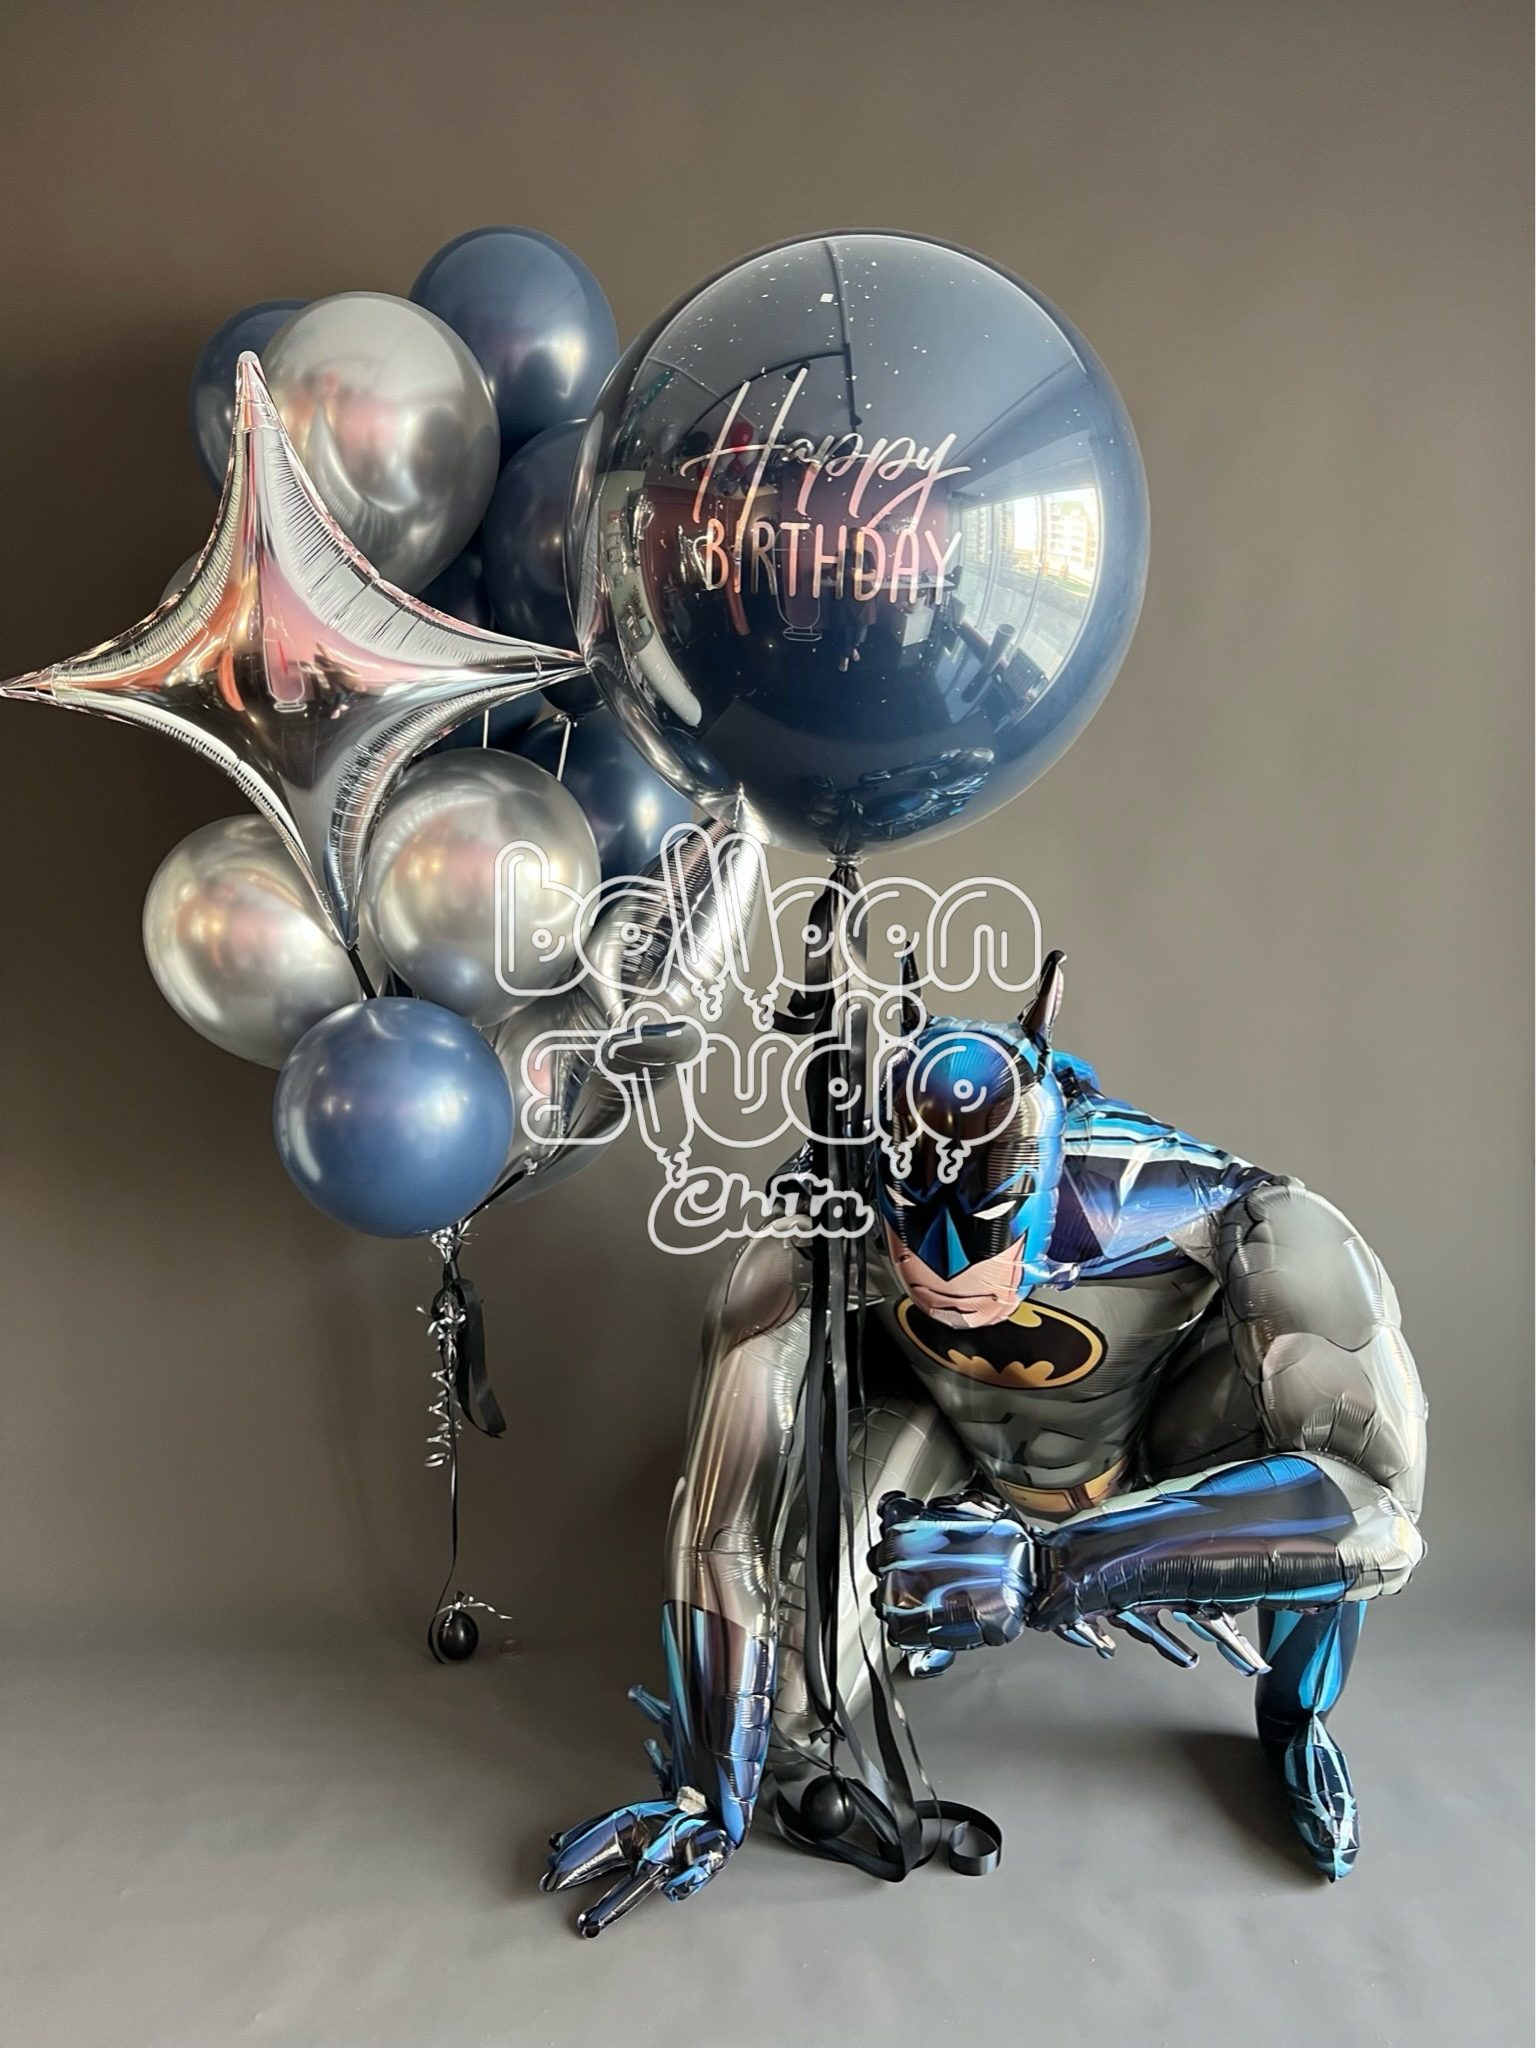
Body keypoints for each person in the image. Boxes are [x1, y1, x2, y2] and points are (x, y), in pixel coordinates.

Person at [542, 952, 1426, 1935]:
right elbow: (723, 1517)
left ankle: (1296, 1718)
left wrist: (1060, 1566)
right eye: (912, 1226)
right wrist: (709, 1785)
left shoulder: (1206, 1202)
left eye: (986, 1220)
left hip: (1153, 1454)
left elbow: (1375, 1509)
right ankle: (806, 1728)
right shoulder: (819, 1220)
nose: (949, 1270)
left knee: (1320, 1455)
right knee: (791, 1712)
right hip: (950, 1449)